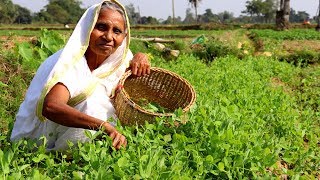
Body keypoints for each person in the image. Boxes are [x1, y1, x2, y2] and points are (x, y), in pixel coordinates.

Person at [10, 0, 150, 151]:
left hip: (69, 128)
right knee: (95, 107)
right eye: (101, 27)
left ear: (124, 36)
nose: (109, 36)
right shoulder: (71, 62)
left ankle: (94, 147)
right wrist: (103, 126)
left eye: (117, 31)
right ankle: (62, 154)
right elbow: (51, 107)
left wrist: (140, 56)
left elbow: (135, 67)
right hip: (37, 137)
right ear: (88, 28)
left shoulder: (118, 59)